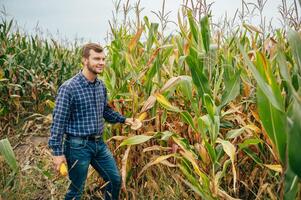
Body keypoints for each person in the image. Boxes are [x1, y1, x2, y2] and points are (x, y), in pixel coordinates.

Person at [48, 43, 141, 200]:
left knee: (114, 180)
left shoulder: (100, 86)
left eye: (103, 59)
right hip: (77, 146)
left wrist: (125, 120)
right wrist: (57, 153)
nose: (101, 62)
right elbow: (58, 123)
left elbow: (105, 111)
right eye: (96, 58)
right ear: (85, 60)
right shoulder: (69, 88)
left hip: (98, 144)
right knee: (76, 191)